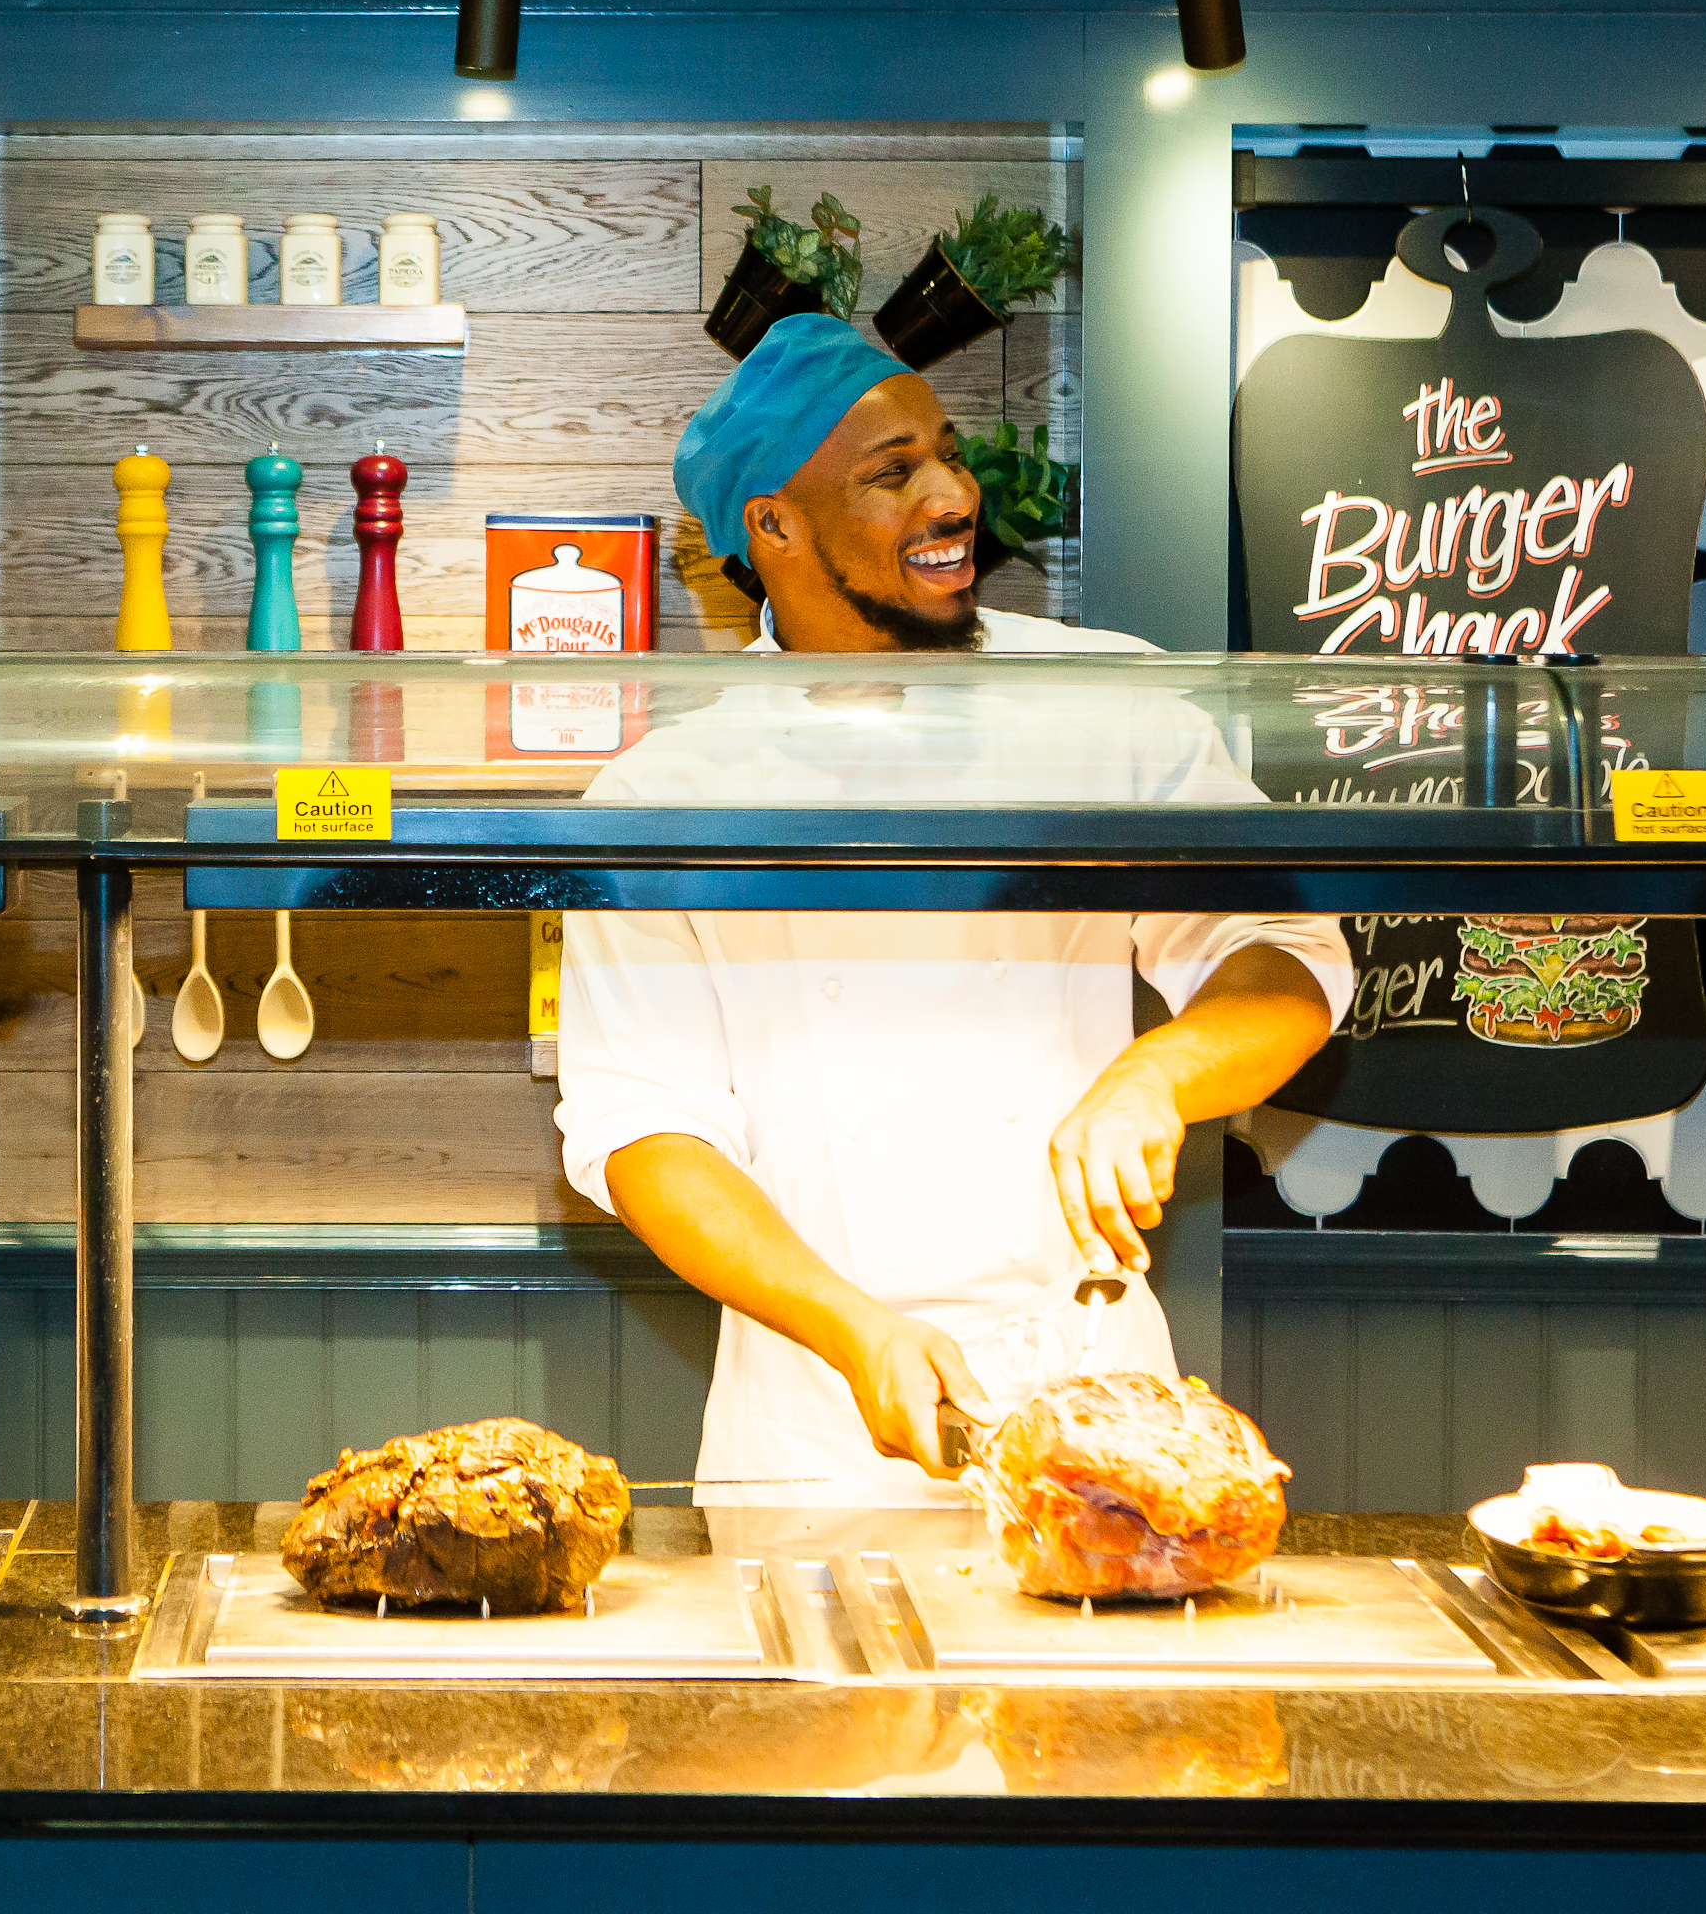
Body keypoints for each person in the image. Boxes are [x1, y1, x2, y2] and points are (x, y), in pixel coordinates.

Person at [552, 315, 1349, 1507]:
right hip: (819, 1426)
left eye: (949, 454)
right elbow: (643, 1136)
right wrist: (853, 1329)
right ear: (772, 526)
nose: (951, 494)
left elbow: (1284, 956)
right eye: (892, 473)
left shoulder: (1102, 703)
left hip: (1092, 1396)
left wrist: (1158, 1074)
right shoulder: (666, 794)